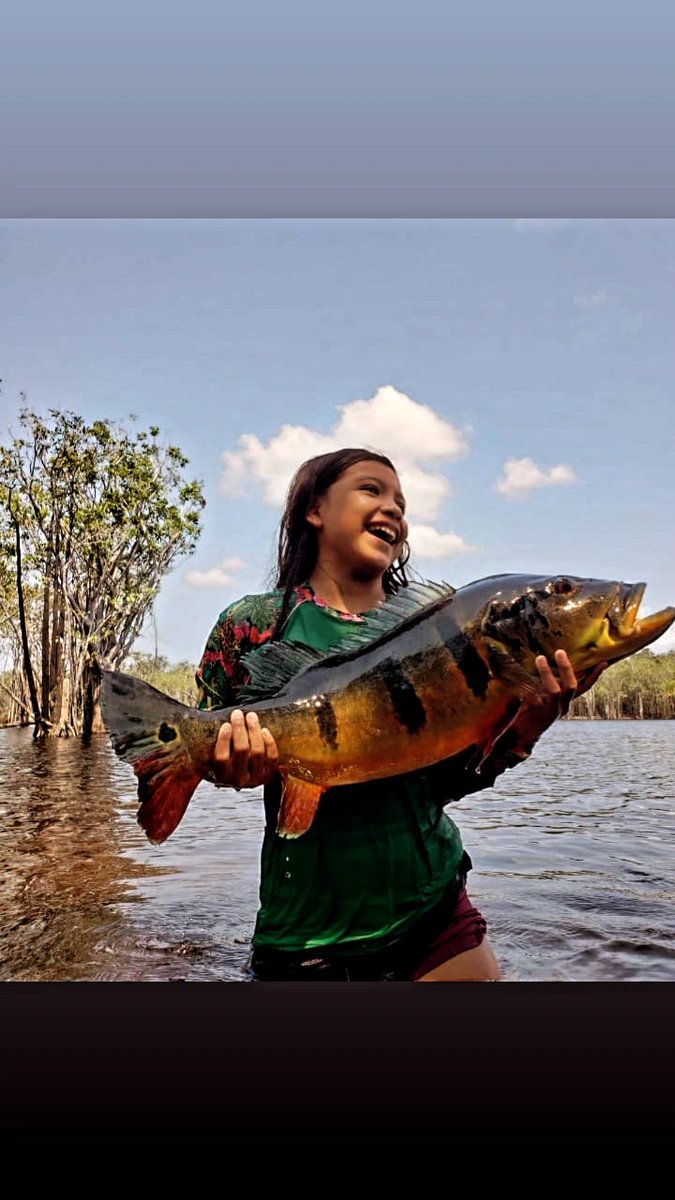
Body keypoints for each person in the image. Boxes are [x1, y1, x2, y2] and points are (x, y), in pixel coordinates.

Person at [195, 448, 605, 981]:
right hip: (305, 933)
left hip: (435, 911)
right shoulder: (253, 625)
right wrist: (229, 765)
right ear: (314, 510)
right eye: (372, 490)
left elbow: (444, 784)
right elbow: (203, 747)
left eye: (401, 502)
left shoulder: (444, 630)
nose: (393, 509)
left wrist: (530, 723)